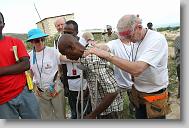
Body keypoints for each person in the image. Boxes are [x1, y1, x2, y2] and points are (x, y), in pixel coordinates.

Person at [85, 14, 171, 119]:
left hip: (154, 98)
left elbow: (137, 69)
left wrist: (109, 56)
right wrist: (94, 47)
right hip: (138, 96)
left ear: (139, 27)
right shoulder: (136, 38)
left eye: (129, 36)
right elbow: (107, 46)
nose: (129, 40)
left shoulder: (156, 40)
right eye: (125, 37)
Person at [58, 34, 123, 119]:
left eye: (66, 54)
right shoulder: (85, 54)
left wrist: (92, 115)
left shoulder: (92, 59)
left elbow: (113, 91)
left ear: (71, 48)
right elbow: (95, 77)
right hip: (99, 105)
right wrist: (86, 92)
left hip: (109, 109)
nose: (67, 57)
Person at [0, 12, 41, 119]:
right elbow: (21, 65)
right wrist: (15, 68)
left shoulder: (15, 42)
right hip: (2, 100)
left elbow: (25, 65)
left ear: (3, 24)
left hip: (23, 92)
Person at [27, 28, 69, 120]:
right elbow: (31, 73)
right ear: (32, 42)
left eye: (43, 39)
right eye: (38, 40)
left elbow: (62, 60)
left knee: (60, 116)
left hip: (55, 89)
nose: (41, 42)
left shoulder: (52, 51)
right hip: (40, 91)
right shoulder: (30, 56)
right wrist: (33, 87)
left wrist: (79, 58)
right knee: (46, 117)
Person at [62, 20, 92, 119]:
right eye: (65, 32)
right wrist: (65, 85)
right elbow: (63, 66)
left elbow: (90, 66)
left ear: (77, 32)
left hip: (84, 85)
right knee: (74, 113)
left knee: (86, 112)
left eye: (70, 33)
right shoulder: (63, 43)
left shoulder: (84, 44)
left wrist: (88, 87)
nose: (67, 35)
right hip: (71, 85)